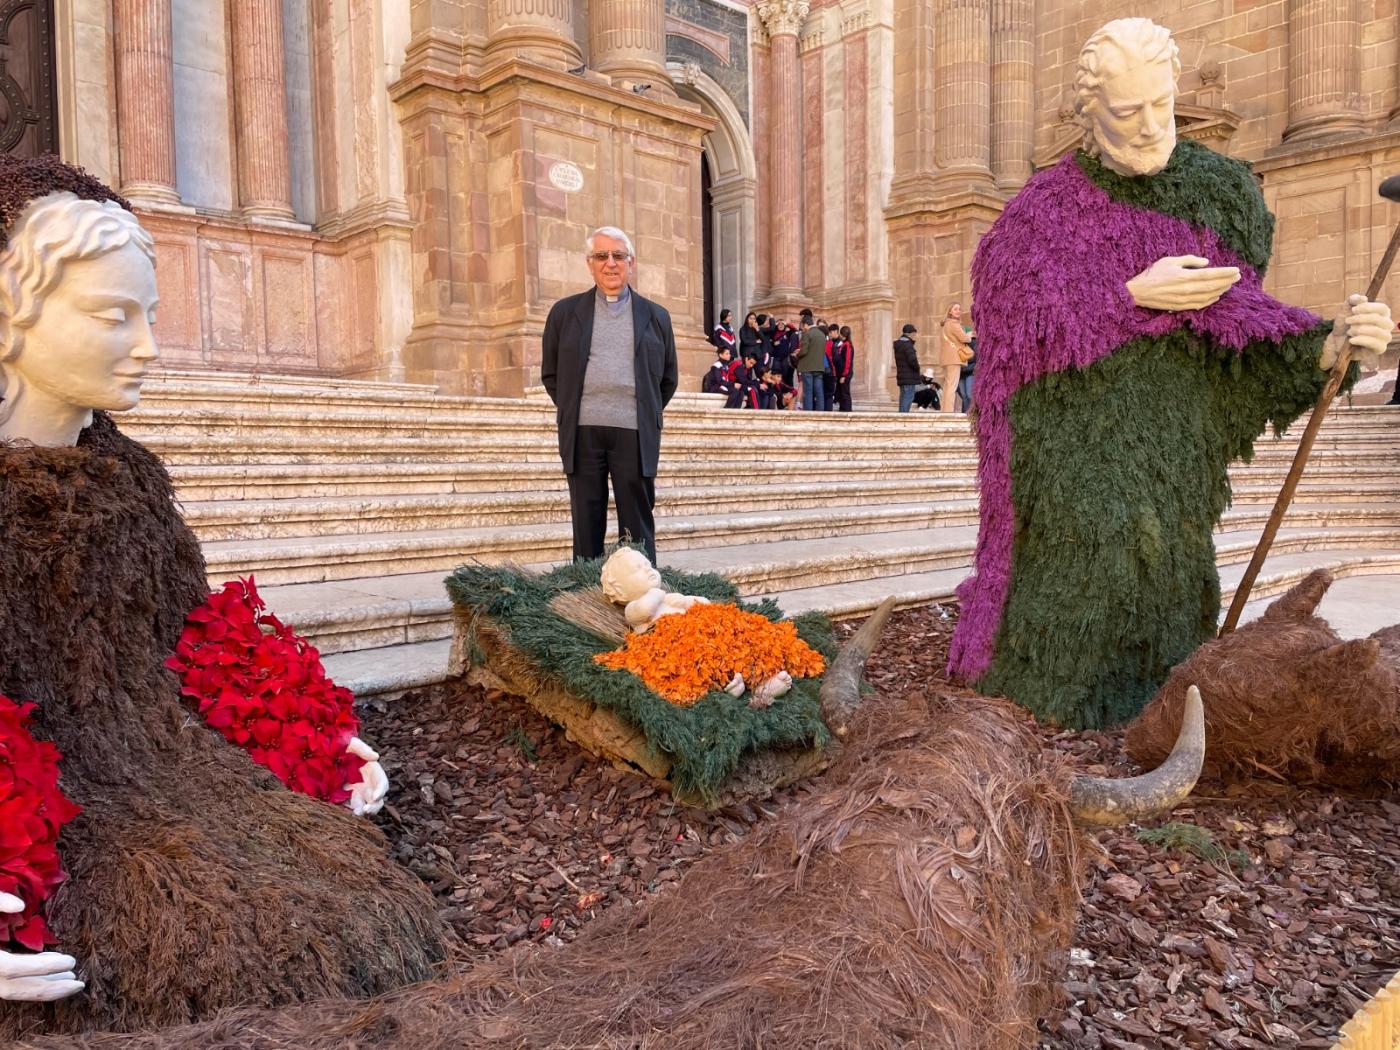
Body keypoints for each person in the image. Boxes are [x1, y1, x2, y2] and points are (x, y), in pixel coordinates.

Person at [0, 154, 449, 1035]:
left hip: (156, 768)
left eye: (151, 317)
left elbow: (195, 636)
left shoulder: (129, 480)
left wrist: (308, 736)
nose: (149, 347)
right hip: (63, 817)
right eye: (112, 316)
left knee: (328, 905)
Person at [945, 18, 1394, 730]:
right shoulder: (1039, 214)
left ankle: (1165, 712)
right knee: (1080, 601)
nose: (1153, 127)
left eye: (1162, 104)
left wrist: (1329, 346)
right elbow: (1012, 333)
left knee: (1173, 588)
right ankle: (1061, 712)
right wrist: (1128, 298)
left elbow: (1239, 328)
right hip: (1075, 460)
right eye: (1128, 112)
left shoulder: (1220, 193)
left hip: (1178, 459)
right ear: (1089, 114)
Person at [542, 226, 678, 564]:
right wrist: (578, 406)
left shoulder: (656, 316)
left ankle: (640, 586)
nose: (610, 263)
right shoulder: (564, 313)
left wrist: (639, 408)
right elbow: (551, 373)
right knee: (586, 522)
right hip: (583, 432)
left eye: (618, 255)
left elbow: (668, 378)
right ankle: (586, 587)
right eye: (601, 255)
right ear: (590, 263)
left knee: (637, 525)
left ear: (631, 262)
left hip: (634, 433)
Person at [938, 304, 973, 413]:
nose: (958, 311)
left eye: (959, 309)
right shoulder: (954, 324)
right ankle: (948, 412)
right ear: (950, 312)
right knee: (952, 386)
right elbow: (965, 339)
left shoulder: (945, 325)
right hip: (954, 358)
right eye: (955, 309)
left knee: (947, 386)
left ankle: (944, 411)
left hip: (946, 359)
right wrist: (969, 335)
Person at [796, 314, 827, 411]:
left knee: (808, 391)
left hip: (807, 367)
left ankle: (808, 413)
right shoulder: (822, 335)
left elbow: (804, 351)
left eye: (802, 326)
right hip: (819, 367)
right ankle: (820, 412)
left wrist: (797, 354)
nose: (802, 329)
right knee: (819, 392)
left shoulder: (807, 334)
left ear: (805, 324)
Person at [893, 323, 921, 412]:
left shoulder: (898, 344)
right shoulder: (908, 345)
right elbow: (912, 360)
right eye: (914, 334)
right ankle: (903, 416)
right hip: (909, 376)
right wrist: (917, 368)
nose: (914, 336)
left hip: (902, 376)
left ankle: (901, 415)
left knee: (903, 398)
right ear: (910, 333)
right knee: (908, 397)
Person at [831, 325, 855, 412]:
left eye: (841, 334)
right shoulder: (843, 344)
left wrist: (844, 375)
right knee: (841, 393)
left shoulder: (847, 345)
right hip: (841, 373)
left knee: (845, 394)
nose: (840, 336)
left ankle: (847, 410)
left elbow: (848, 361)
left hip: (845, 374)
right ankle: (842, 409)